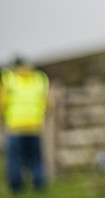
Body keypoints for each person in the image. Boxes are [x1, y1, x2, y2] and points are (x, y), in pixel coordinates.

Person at [0, 57, 49, 194]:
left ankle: (16, 187)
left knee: (15, 159)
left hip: (15, 126)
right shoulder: (39, 79)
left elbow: (2, 103)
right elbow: (47, 102)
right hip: (35, 125)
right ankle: (39, 184)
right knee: (35, 157)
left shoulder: (9, 79)